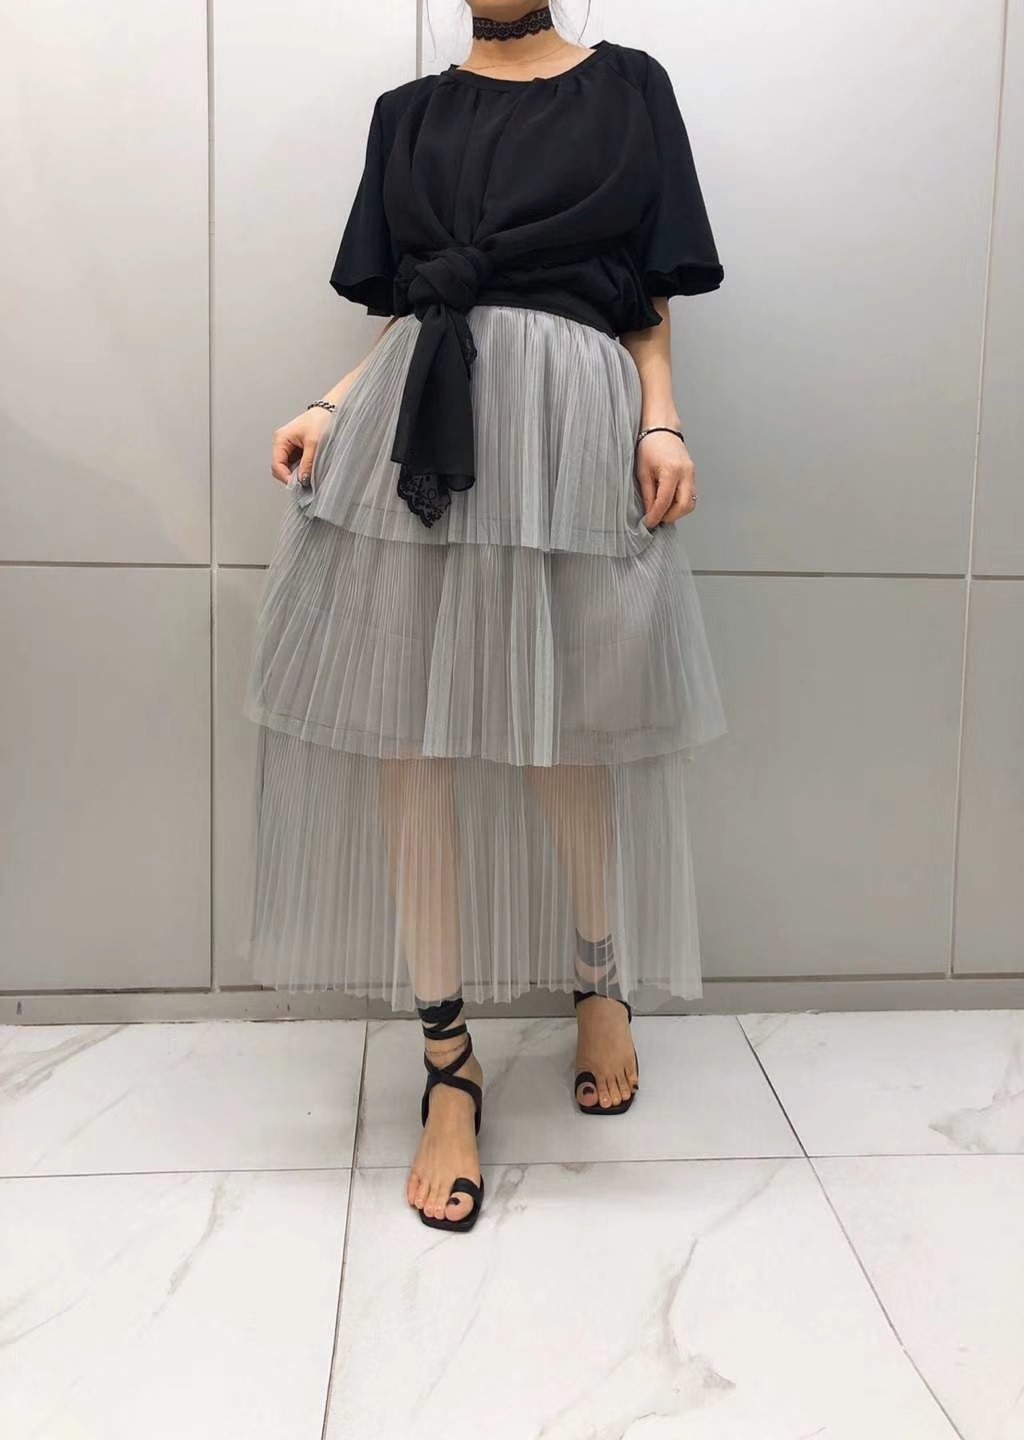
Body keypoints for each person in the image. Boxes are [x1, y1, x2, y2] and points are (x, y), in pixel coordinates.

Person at [242, 2, 727, 1234]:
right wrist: (330, 402)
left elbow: (645, 294)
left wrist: (661, 417)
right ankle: (446, 1062)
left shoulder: (628, 87)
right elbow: (416, 306)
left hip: (570, 423)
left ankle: (598, 982)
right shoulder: (407, 117)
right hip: (420, 423)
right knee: (406, 742)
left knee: (574, 729)